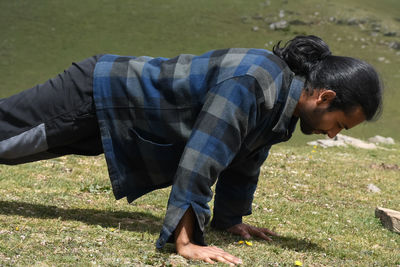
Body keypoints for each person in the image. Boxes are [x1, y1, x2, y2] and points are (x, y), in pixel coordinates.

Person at [0, 35, 382, 265]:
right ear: (325, 96)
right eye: (340, 125)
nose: (333, 135)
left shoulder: (280, 100)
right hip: (95, 93)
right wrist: (186, 242)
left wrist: (229, 219)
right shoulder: (253, 81)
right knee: (7, 141)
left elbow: (243, 159)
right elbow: (204, 155)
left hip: (119, 114)